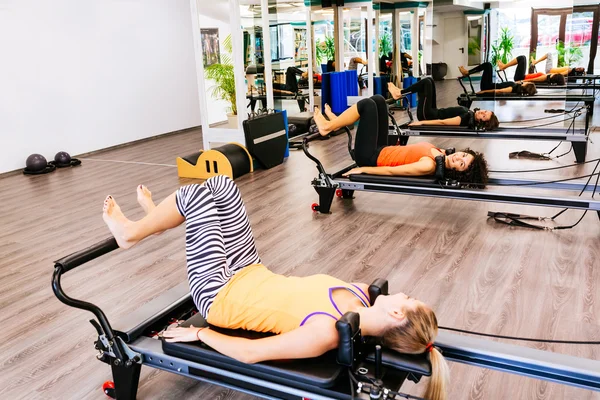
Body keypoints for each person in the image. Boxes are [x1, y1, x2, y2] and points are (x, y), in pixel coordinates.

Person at [102, 177, 450, 400]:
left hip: (219, 293)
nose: (405, 294)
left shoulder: (327, 332)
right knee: (222, 185)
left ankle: (132, 233)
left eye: (410, 299)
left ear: (395, 312)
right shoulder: (361, 294)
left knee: (195, 198)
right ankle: (158, 220)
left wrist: (201, 336)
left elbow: (253, 354)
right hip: (249, 269)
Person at [313, 95, 489, 187]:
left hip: (370, 156)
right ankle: (334, 122)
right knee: (379, 101)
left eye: (461, 164)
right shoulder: (441, 154)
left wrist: (362, 170)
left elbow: (392, 172)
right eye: (464, 155)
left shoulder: (429, 165)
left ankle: (328, 127)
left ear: (458, 172)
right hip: (383, 148)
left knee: (367, 105)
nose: (458, 158)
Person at [387, 78, 499, 131]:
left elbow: (443, 122)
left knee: (426, 82)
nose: (482, 112)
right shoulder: (469, 113)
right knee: (430, 81)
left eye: (483, 116)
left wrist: (421, 123)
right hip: (433, 111)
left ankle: (399, 93)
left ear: (480, 123)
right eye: (485, 111)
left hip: (427, 115)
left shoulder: (465, 117)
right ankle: (400, 92)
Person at [458, 63, 538, 96]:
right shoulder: (517, 86)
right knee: (488, 65)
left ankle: (467, 72)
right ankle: (467, 72)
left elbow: (499, 91)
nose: (526, 82)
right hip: (490, 84)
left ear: (526, 86)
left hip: (487, 86)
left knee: (488, 65)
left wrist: (483, 92)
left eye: (527, 83)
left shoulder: (513, 88)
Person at [496, 56, 565, 85]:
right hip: (522, 77)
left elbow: (532, 80)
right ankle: (504, 66)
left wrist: (519, 82)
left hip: (520, 78)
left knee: (522, 58)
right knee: (522, 58)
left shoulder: (546, 77)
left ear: (555, 77)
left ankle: (504, 66)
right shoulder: (548, 77)